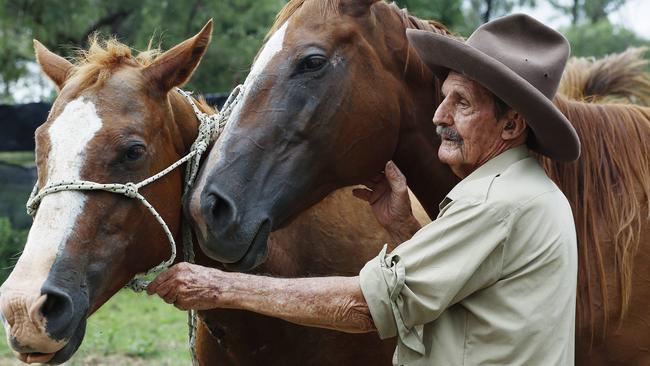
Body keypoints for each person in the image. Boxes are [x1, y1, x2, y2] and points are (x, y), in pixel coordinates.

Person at [148, 14, 580, 365]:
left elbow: (365, 307)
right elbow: (469, 293)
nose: (438, 116)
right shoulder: (525, 192)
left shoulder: (496, 204)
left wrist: (222, 287)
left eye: (461, 104)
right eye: (444, 98)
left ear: (512, 124)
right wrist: (404, 228)